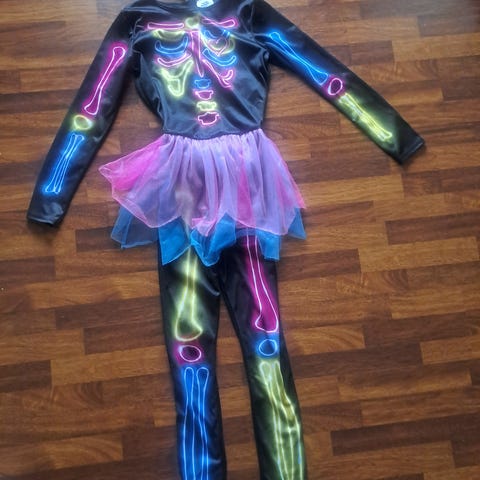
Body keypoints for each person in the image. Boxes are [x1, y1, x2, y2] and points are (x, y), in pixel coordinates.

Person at [27, 1, 424, 478]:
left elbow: (319, 67)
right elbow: (93, 103)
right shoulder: (140, 18)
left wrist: (394, 133)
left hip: (246, 180)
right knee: (190, 349)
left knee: (264, 337)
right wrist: (50, 195)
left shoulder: (246, 10)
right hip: (185, 183)